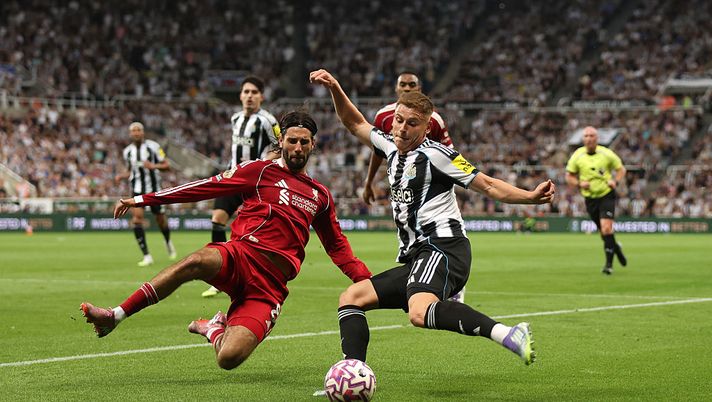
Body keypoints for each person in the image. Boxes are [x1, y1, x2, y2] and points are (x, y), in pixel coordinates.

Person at [81, 111, 372, 371]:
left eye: (304, 142)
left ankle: (213, 329)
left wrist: (371, 284)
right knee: (196, 260)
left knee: (229, 359)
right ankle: (115, 315)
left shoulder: (320, 195)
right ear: (281, 140)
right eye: (292, 140)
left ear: (313, 145)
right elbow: (205, 187)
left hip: (269, 287)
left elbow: (337, 246)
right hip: (240, 256)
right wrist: (142, 200)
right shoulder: (259, 171)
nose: (298, 148)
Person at [310, 69, 555, 365]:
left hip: (443, 246)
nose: (401, 128)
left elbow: (488, 184)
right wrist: (335, 86)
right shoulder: (389, 148)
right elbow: (354, 122)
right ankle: (353, 371)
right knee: (352, 298)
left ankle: (508, 333)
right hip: (419, 255)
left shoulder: (437, 156)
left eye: (412, 123)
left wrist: (529, 197)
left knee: (419, 311)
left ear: (426, 127)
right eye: (399, 120)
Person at [364, 72, 464, 304]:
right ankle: (422, 273)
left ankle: (445, 279)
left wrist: (459, 177)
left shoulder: (435, 120)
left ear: (420, 88)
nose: (407, 88)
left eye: (412, 84)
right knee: (409, 229)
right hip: (402, 180)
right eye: (403, 84)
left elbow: (451, 153)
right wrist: (369, 182)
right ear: (396, 88)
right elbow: (378, 150)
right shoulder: (383, 116)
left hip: (430, 181)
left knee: (432, 230)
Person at [203, 75, 281, 298]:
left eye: (254, 93)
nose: (249, 96)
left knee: (250, 231)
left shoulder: (268, 120)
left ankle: (255, 275)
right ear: (240, 95)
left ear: (261, 97)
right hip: (232, 178)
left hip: (255, 182)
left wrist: (264, 162)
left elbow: (280, 143)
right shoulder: (235, 118)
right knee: (217, 219)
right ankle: (220, 276)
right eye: (246, 92)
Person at [565, 126, 627, 275]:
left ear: (597, 138)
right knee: (604, 234)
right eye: (586, 136)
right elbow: (569, 176)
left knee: (606, 228)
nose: (589, 138)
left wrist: (615, 181)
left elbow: (621, 169)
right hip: (590, 198)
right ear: (583, 139)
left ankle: (608, 265)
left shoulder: (606, 153)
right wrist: (579, 184)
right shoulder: (577, 155)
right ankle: (616, 248)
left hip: (606, 194)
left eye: (592, 136)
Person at [114, 122, 176, 266]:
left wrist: (153, 166)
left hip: (154, 190)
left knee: (160, 220)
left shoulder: (154, 147)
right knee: (137, 219)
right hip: (137, 189)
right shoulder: (127, 152)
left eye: (138, 130)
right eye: (133, 131)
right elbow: (131, 171)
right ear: (130, 134)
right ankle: (147, 255)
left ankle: (167, 241)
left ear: (143, 132)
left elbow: (167, 165)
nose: (136, 133)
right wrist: (122, 176)